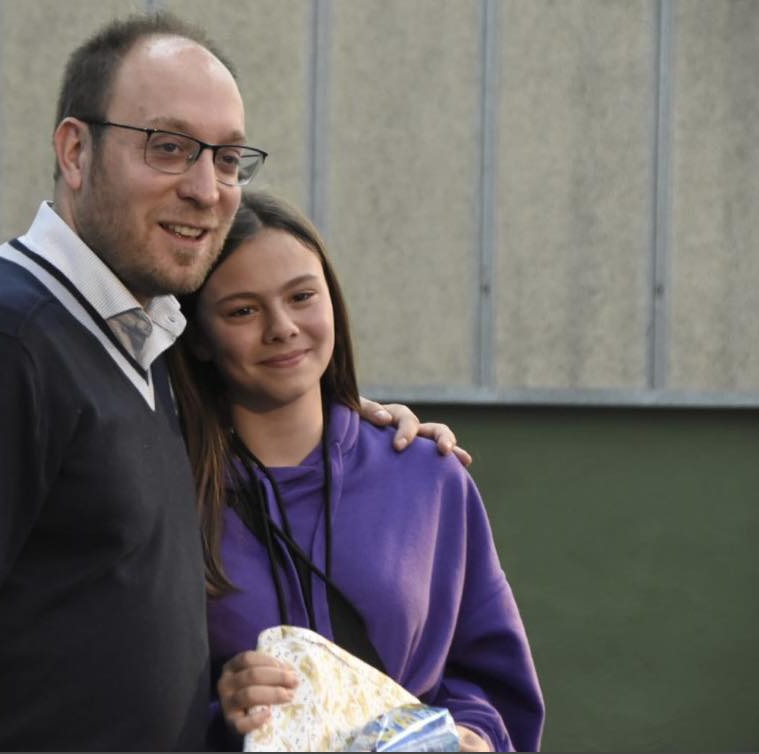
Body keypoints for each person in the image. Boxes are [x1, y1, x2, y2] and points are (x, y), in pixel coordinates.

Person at [0, 13, 462, 751]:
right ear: (75, 150)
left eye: (228, 159)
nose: (207, 189)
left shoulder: (136, 340)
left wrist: (355, 416)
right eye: (168, 149)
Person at [168, 192, 545, 752]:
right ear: (198, 336)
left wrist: (474, 735)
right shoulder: (168, 493)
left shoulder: (426, 476)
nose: (282, 327)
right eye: (243, 310)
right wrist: (222, 710)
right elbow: (121, 694)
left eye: (302, 297)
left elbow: (492, 677)